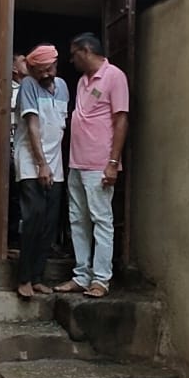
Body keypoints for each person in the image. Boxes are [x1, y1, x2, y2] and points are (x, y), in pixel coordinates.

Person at [55, 33, 129, 298]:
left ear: (86, 51)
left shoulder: (114, 76)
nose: (71, 60)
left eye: (74, 54)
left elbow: (121, 120)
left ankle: (101, 279)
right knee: (78, 220)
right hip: (77, 162)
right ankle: (81, 275)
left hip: (99, 163)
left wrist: (113, 162)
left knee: (101, 220)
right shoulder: (83, 81)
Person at [13, 44, 69, 299]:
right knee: (33, 217)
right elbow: (33, 126)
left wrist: (52, 165)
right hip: (31, 162)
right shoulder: (28, 85)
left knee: (49, 222)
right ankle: (23, 278)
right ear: (32, 70)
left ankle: (37, 277)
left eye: (49, 69)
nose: (46, 74)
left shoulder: (63, 87)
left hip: (55, 164)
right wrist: (41, 164)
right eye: (40, 70)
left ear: (56, 65)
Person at [7, 54, 27, 255]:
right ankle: (13, 237)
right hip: (11, 146)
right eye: (23, 61)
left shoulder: (32, 88)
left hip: (27, 148)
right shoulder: (9, 91)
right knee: (14, 195)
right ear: (13, 68)